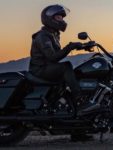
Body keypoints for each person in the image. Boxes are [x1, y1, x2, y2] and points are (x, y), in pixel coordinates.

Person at [29, 4, 94, 141]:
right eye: (58, 17)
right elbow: (52, 57)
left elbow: (58, 54)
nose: (62, 20)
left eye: (61, 17)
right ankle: (81, 100)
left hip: (48, 68)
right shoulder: (43, 36)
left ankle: (77, 131)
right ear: (49, 19)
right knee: (66, 67)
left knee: (72, 82)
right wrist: (70, 47)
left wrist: (83, 46)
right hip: (40, 70)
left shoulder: (53, 34)